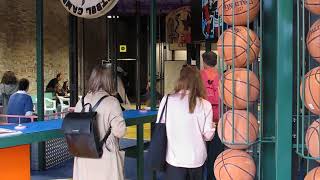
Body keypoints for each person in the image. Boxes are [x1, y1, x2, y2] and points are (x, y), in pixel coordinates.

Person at [158, 65, 215, 180]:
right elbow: (208, 136)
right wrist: (213, 127)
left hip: (174, 159)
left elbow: (160, 124)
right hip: (196, 159)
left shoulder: (167, 100)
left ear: (180, 79)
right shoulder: (205, 104)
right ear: (199, 81)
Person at [73, 65, 126, 180]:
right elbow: (120, 132)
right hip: (105, 153)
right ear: (109, 81)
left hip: (84, 154)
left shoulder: (81, 102)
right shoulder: (112, 102)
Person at [200, 51, 224, 180]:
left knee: (200, 152)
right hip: (218, 119)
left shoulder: (199, 76)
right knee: (215, 153)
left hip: (202, 120)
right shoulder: (222, 77)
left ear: (204, 62)